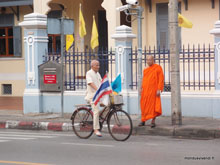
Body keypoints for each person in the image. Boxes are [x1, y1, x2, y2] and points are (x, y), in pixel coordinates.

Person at [139, 55, 164, 128]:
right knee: (143, 105)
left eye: (150, 60)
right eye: (147, 60)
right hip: (145, 91)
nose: (148, 61)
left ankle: (153, 121)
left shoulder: (157, 68)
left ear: (153, 60)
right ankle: (143, 120)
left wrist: (159, 89)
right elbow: (144, 80)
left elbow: (161, 79)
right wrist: (141, 88)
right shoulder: (145, 70)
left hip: (153, 91)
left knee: (153, 106)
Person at [85, 60, 102, 137]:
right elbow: (90, 83)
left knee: (108, 105)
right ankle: (96, 129)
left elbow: (101, 83)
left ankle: (99, 118)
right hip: (92, 96)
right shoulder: (89, 73)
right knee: (96, 110)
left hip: (98, 96)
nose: (98, 67)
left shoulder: (98, 74)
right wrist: (97, 89)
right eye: (96, 65)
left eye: (98, 65)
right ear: (92, 66)